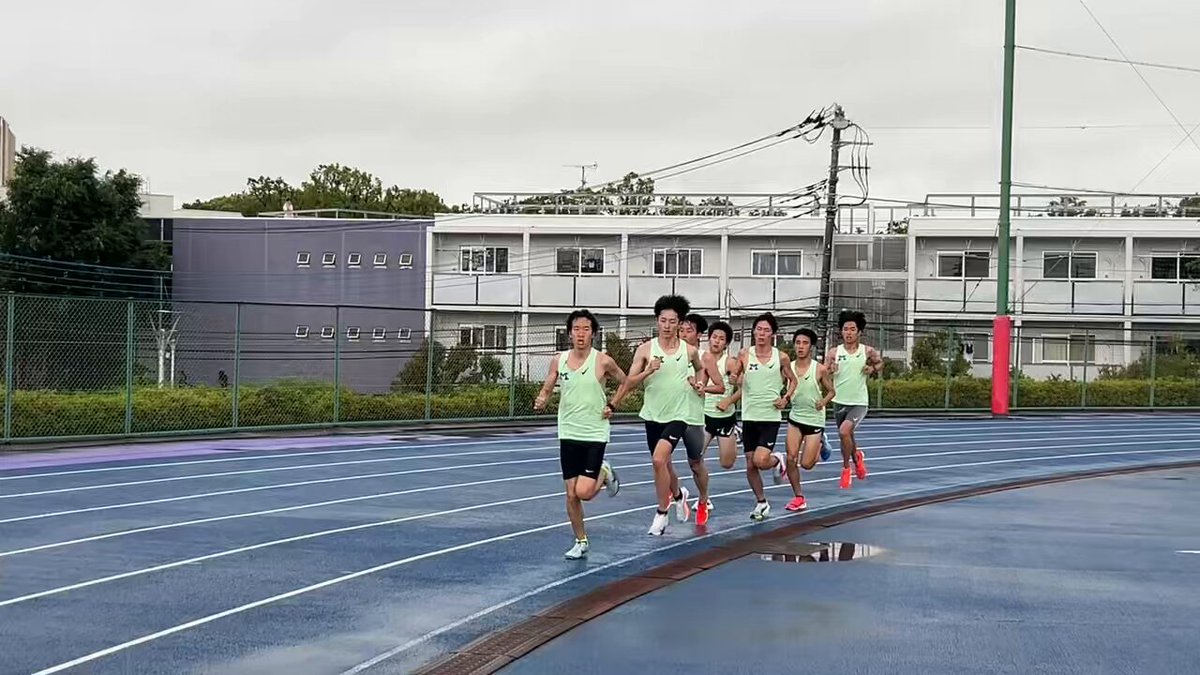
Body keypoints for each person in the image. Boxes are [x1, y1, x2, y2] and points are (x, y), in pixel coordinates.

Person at [609, 295, 724, 536]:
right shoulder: (645, 350)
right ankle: (680, 495)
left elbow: (702, 369)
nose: (668, 326)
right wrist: (614, 403)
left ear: (680, 323)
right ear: (657, 321)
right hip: (653, 414)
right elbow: (629, 381)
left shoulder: (689, 351)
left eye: (673, 321)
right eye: (663, 321)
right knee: (664, 465)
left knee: (660, 460)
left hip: (680, 415)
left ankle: (662, 513)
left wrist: (700, 384)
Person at [533, 309, 625, 559]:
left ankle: (604, 471)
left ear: (593, 334)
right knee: (571, 494)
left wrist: (613, 404)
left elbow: (625, 381)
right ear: (570, 334)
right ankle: (580, 541)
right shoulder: (559, 359)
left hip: (594, 432)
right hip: (568, 431)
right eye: (576, 329)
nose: (581, 334)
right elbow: (549, 384)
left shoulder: (603, 361)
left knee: (584, 492)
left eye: (586, 329)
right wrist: (542, 398)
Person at [728, 312, 796, 521]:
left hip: (770, 416)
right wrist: (733, 377)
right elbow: (736, 376)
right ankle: (761, 502)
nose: (762, 333)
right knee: (750, 465)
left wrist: (785, 398)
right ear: (754, 331)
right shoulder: (744, 354)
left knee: (760, 460)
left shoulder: (781, 357)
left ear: (772, 334)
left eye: (766, 330)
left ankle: (777, 460)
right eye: (759, 329)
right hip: (749, 415)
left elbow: (793, 381)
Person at [678, 313, 729, 526]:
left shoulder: (704, 357)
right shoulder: (670, 353)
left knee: (695, 464)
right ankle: (676, 498)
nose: (682, 334)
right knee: (660, 460)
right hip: (667, 414)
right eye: (681, 330)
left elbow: (720, 387)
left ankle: (703, 499)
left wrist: (701, 387)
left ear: (699, 335)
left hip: (693, 416)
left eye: (688, 331)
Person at [824, 309, 883, 489]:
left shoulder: (867, 351)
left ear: (859, 332)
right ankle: (857, 457)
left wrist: (872, 369)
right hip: (839, 401)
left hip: (859, 402)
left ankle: (845, 469)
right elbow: (823, 371)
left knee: (843, 432)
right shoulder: (834, 352)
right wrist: (830, 369)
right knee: (847, 435)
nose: (848, 333)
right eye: (845, 329)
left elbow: (880, 363)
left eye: (852, 329)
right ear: (841, 331)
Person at [783, 328, 837, 511]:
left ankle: (822, 443)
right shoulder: (787, 368)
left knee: (806, 464)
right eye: (798, 343)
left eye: (805, 343)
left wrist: (823, 401)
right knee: (790, 459)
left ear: (811, 347)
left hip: (814, 421)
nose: (800, 347)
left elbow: (831, 391)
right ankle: (798, 497)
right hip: (795, 417)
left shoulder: (819, 369)